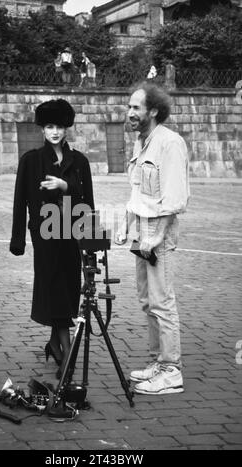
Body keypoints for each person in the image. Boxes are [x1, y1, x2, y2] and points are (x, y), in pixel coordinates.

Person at [10, 99, 95, 380]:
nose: (55, 132)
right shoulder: (31, 160)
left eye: (59, 126)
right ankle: (67, 356)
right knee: (55, 292)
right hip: (46, 238)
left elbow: (88, 204)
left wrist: (66, 186)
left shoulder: (80, 161)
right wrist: (18, 240)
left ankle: (53, 344)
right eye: (49, 126)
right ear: (42, 130)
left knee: (67, 292)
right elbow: (20, 201)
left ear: (66, 128)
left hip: (71, 238)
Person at [115, 82, 190, 395]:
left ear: (154, 111)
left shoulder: (169, 143)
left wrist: (155, 237)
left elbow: (174, 199)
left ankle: (171, 371)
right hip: (141, 231)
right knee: (147, 301)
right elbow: (138, 190)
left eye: (136, 108)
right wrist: (126, 223)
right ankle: (156, 363)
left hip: (158, 232)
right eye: (130, 107)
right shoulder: (141, 140)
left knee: (162, 302)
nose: (130, 113)